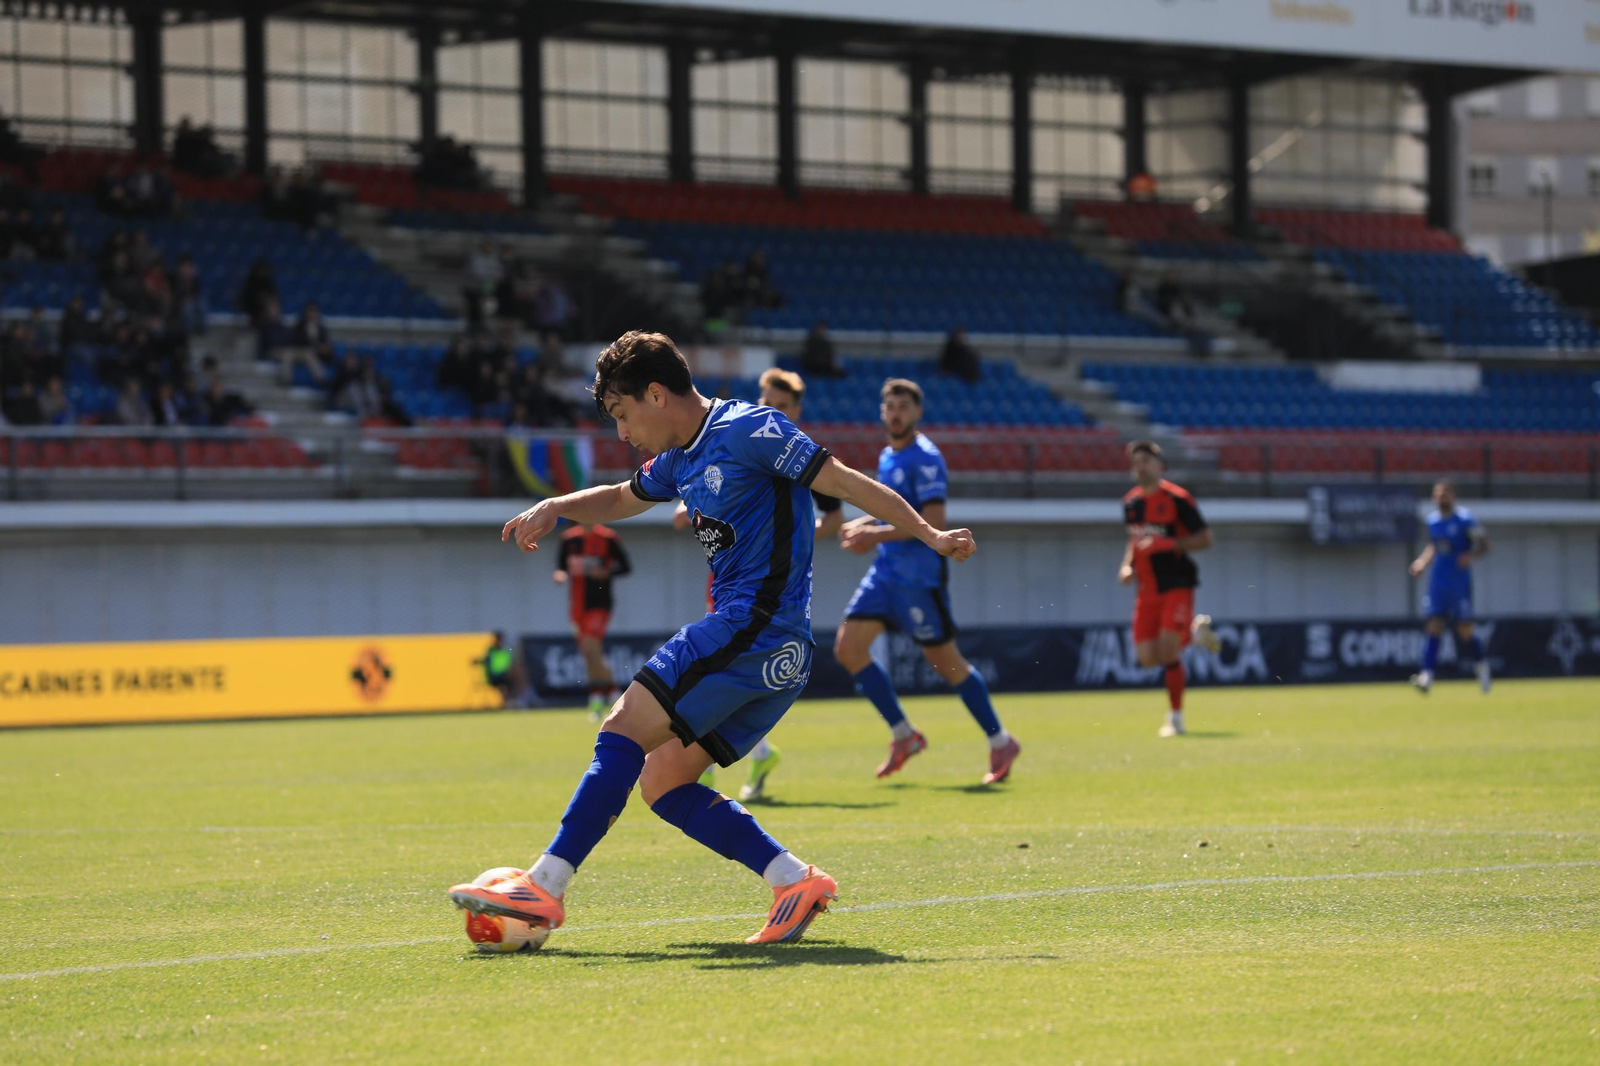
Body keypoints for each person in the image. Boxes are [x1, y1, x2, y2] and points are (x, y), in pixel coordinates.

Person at [449, 330, 975, 948]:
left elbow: (847, 483)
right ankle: (791, 880)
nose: (621, 434)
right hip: (774, 650)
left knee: (621, 729)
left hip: (753, 628)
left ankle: (544, 885)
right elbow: (623, 497)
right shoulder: (680, 457)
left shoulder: (752, 430)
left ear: (654, 394)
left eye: (622, 415)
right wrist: (558, 505)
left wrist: (928, 536)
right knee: (663, 783)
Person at [831, 378, 1019, 784]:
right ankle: (904, 734)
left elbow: (932, 523)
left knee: (949, 666)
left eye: (903, 406)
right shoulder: (887, 457)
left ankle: (1001, 740)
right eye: (890, 406)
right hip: (885, 574)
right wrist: (867, 523)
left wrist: (873, 535)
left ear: (917, 413)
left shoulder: (926, 458)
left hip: (918, 579)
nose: (895, 413)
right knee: (849, 648)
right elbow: (895, 513)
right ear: (882, 413)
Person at [672, 367, 844, 802]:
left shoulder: (800, 457)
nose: (772, 411)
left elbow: (835, 516)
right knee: (723, 667)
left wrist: (790, 544)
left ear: (796, 411)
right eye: (767, 402)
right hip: (726, 578)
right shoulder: (739, 441)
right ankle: (755, 754)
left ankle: (699, 765)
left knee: (719, 669)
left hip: (769, 589)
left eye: (782, 406)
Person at [1117, 440, 1220, 738]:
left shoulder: (1178, 499)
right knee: (1147, 659)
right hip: (1146, 588)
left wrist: (1171, 543)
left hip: (1177, 583)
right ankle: (1194, 632)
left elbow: (1205, 539)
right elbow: (1133, 541)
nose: (1141, 466)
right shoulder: (1130, 503)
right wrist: (1127, 565)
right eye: (1136, 462)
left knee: (1169, 650)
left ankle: (1175, 718)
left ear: (1161, 466)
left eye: (1147, 461)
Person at [1408, 480, 1492, 694]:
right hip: (1438, 582)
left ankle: (1481, 666)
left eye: (1446, 493)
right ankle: (1427, 676)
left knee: (1465, 631)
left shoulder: (1465, 520)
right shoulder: (1433, 522)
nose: (1442, 497)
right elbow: (1434, 547)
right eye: (1438, 494)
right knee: (1434, 626)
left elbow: (1484, 545)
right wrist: (1421, 563)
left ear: (1453, 496)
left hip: (1459, 584)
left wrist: (1470, 556)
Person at [555, 523, 633, 719]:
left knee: (591, 647)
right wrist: (560, 575)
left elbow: (625, 567)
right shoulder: (569, 539)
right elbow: (561, 567)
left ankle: (617, 696)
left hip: (600, 603)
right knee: (589, 654)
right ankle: (598, 699)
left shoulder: (608, 538)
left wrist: (605, 573)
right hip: (577, 606)